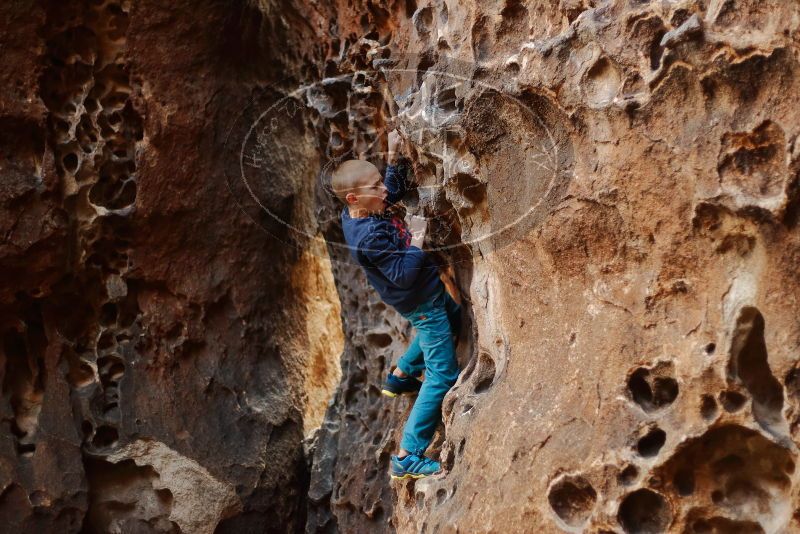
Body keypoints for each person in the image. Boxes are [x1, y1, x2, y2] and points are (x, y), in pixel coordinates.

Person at [331, 131, 461, 479]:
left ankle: (401, 374)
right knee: (443, 372)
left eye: (380, 182)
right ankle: (408, 455)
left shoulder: (358, 211)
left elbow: (393, 190)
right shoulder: (369, 237)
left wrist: (392, 158)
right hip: (419, 300)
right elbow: (403, 275)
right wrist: (417, 236)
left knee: (455, 317)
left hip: (427, 297)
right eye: (376, 187)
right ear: (356, 198)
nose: (384, 190)